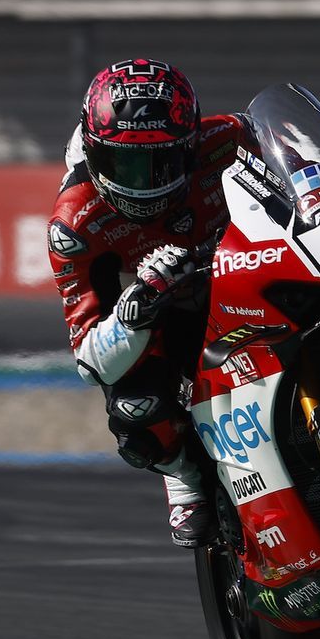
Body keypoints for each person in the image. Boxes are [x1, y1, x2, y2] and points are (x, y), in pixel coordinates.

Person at [48, 57, 240, 547]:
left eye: (161, 162)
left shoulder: (230, 140)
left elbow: (318, 166)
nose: (145, 181)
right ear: (96, 154)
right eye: (127, 165)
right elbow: (91, 361)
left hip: (250, 274)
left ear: (190, 145)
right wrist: (137, 310)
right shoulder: (75, 222)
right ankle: (185, 479)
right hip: (164, 314)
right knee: (136, 409)